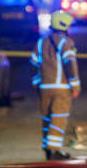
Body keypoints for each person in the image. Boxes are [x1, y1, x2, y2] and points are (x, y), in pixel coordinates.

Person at [31, 10, 81, 160]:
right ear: (64, 25)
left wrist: (37, 82)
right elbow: (70, 65)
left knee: (47, 118)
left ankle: (48, 148)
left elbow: (33, 64)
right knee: (58, 118)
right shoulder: (66, 43)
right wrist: (75, 85)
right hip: (61, 88)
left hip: (44, 87)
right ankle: (54, 150)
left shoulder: (41, 43)